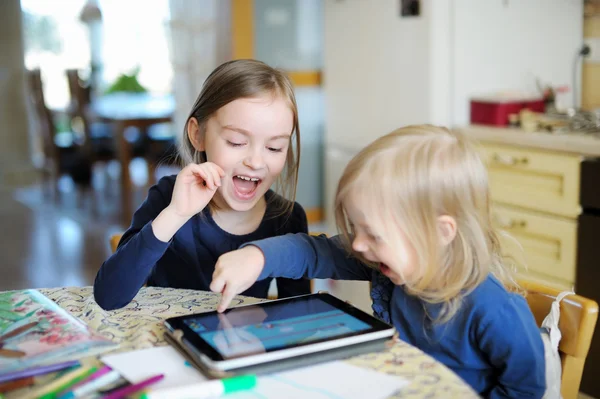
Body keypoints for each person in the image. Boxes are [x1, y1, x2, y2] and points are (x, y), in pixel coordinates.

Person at [210, 125, 546, 398]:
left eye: (373, 234)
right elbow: (315, 253)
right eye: (356, 229)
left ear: (440, 232)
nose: (358, 243)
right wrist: (256, 257)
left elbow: (526, 389)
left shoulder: (493, 310)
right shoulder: (384, 266)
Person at [94, 59, 311, 310]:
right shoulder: (168, 198)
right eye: (237, 142)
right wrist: (175, 215)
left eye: (275, 147)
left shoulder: (288, 219)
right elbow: (108, 297)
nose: (255, 161)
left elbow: (297, 314)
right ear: (198, 135)